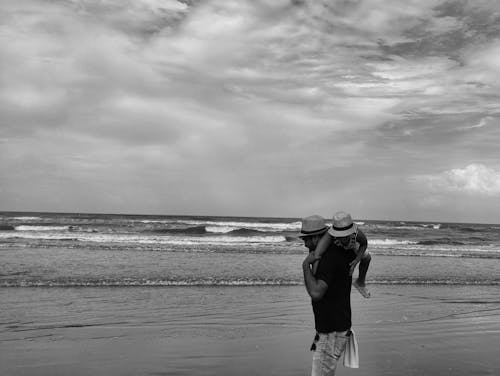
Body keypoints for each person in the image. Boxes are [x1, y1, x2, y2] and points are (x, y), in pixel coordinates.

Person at [300, 214, 356, 376]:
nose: (305, 244)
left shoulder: (327, 258)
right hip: (337, 327)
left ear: (317, 237)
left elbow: (316, 293)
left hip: (331, 333)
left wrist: (305, 265)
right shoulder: (340, 250)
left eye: (306, 239)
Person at [312, 211, 371, 298]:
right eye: (340, 235)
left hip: (352, 245)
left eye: (345, 234)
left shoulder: (357, 235)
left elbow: (364, 244)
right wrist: (314, 278)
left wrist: (357, 260)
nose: (343, 237)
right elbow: (318, 253)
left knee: (367, 258)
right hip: (337, 247)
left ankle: (360, 282)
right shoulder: (330, 235)